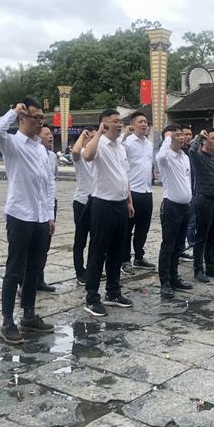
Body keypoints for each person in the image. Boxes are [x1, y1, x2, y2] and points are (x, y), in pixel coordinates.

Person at [0, 100, 55, 345]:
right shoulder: (12, 144)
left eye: (42, 118)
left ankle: (29, 314)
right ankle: (7, 321)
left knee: (35, 268)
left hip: (40, 216)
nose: (40, 122)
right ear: (22, 119)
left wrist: (49, 215)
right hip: (19, 214)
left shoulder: (41, 149)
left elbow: (47, 184)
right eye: (35, 117)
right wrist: (14, 111)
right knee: (15, 269)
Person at [83, 109, 135, 317]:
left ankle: (113, 292)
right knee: (98, 252)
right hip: (102, 205)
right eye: (115, 121)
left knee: (117, 251)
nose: (119, 124)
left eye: (120, 121)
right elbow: (87, 155)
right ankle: (91, 297)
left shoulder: (120, 147)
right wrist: (98, 133)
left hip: (120, 204)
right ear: (104, 124)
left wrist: (129, 201)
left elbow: (124, 176)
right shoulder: (99, 143)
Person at [155, 125, 194, 298]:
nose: (182, 137)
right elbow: (161, 156)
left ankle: (174, 277)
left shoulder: (184, 157)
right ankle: (165, 282)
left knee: (179, 246)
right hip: (171, 207)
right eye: (177, 135)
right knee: (168, 246)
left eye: (181, 134)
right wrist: (167, 138)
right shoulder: (166, 157)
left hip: (185, 207)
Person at [188, 128, 214, 283]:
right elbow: (191, 150)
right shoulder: (198, 157)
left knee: (213, 237)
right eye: (212, 138)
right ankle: (198, 269)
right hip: (204, 200)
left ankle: (211, 267)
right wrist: (200, 136)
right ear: (204, 141)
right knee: (201, 237)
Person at [122, 112, 155, 274]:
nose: (144, 124)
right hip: (132, 191)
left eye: (145, 122)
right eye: (140, 122)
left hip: (147, 191)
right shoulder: (127, 143)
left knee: (143, 227)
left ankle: (139, 257)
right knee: (127, 229)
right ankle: (124, 259)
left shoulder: (149, 144)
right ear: (132, 125)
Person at [71, 126, 97, 285]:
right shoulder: (80, 155)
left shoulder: (98, 155)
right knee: (80, 239)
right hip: (82, 202)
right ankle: (80, 271)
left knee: (95, 239)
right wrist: (82, 135)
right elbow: (74, 151)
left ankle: (91, 269)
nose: (94, 140)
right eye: (91, 137)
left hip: (97, 203)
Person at [37, 124, 58, 292]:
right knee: (31, 246)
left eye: (51, 134)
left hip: (50, 202)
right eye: (46, 134)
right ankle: (24, 282)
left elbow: (52, 178)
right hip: (35, 202)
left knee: (45, 243)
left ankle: (39, 278)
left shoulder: (52, 156)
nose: (50, 136)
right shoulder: (31, 153)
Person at [180, 126, 195, 261]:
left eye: (190, 134)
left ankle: (184, 247)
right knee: (187, 222)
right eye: (185, 134)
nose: (188, 137)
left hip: (193, 190)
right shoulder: (178, 152)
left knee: (191, 220)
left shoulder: (191, 151)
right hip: (181, 192)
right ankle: (185, 246)